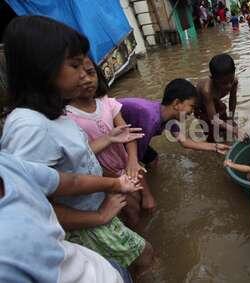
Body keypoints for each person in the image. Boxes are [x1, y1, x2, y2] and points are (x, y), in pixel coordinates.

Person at [0, 16, 155, 279]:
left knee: (133, 260)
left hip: (95, 209)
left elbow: (70, 174)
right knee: (144, 257)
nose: (85, 76)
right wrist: (100, 217)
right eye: (75, 66)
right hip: (84, 223)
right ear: (42, 69)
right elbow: (35, 208)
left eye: (87, 68)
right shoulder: (29, 128)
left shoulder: (56, 114)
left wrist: (112, 171)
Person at [0, 152, 141, 283]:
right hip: (91, 232)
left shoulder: (5, 163)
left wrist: (118, 184)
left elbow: (73, 181)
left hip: (98, 266)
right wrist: (99, 216)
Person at [66, 57, 156, 229]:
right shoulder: (67, 117)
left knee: (145, 202)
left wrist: (132, 160)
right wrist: (108, 141)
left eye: (91, 72)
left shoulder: (106, 103)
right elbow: (80, 156)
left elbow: (127, 133)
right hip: (104, 176)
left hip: (125, 164)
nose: (86, 79)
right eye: (78, 74)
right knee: (131, 210)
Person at [118, 78, 230, 168]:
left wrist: (215, 147)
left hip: (130, 127)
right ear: (177, 103)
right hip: (111, 128)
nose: (192, 112)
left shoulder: (167, 115)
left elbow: (184, 142)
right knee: (129, 165)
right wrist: (147, 196)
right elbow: (134, 162)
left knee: (153, 160)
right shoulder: (151, 121)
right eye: (191, 106)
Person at [195, 54, 241, 142]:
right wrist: (234, 130)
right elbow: (213, 119)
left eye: (230, 81)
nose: (229, 86)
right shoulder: (207, 91)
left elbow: (232, 100)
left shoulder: (234, 82)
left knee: (227, 127)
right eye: (224, 83)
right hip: (201, 107)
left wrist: (231, 118)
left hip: (215, 101)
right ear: (213, 79)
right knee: (213, 135)